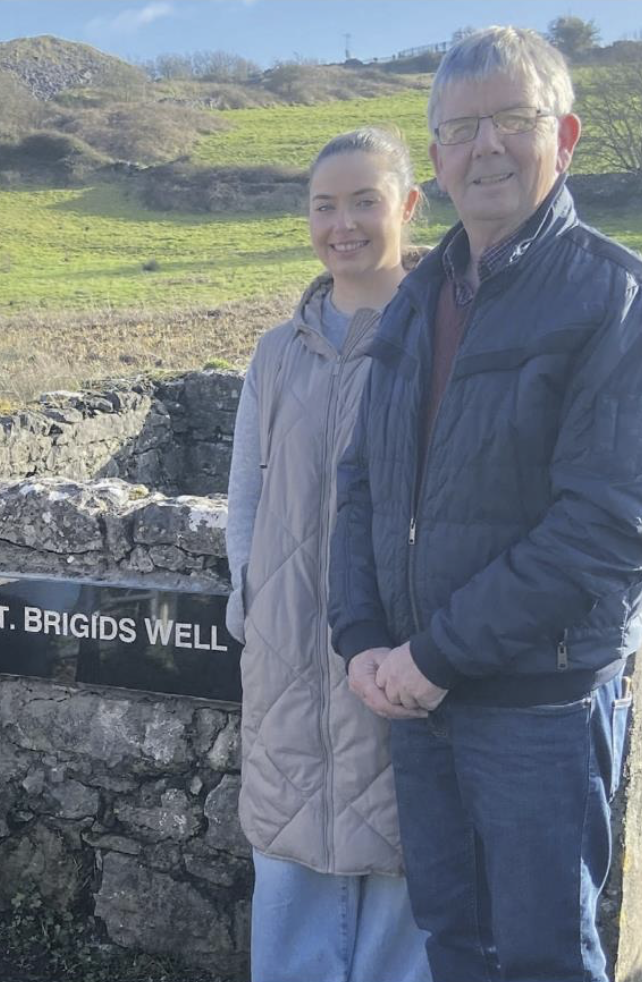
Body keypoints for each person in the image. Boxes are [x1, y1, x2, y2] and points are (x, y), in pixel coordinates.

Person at [328, 27, 642, 982]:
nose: (486, 146)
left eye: (512, 121)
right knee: (453, 941)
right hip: (416, 697)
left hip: (539, 708)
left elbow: (612, 527)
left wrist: (431, 657)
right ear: (437, 159)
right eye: (460, 128)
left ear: (563, 138)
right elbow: (361, 481)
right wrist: (362, 639)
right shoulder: (416, 301)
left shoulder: (621, 299)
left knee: (539, 958)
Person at [225, 127, 429, 982]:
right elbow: (246, 495)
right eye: (323, 205)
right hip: (286, 666)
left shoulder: (440, 339)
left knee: (400, 882)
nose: (341, 224)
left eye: (364, 201)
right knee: (290, 870)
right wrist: (250, 604)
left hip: (393, 657)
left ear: (408, 207)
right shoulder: (277, 353)